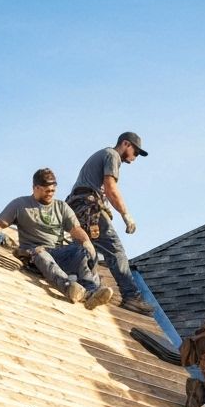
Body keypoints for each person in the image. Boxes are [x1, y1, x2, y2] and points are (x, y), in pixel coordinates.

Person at [0, 168, 113, 309]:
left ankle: (92, 292)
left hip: (59, 254)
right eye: (46, 191)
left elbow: (76, 229)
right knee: (40, 253)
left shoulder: (61, 207)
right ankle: (70, 288)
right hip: (34, 255)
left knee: (80, 251)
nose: (50, 194)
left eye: (53, 191)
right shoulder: (20, 205)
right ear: (35, 188)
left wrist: (86, 242)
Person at [66, 132, 154, 315]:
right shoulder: (112, 155)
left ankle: (84, 286)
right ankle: (132, 297)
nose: (135, 158)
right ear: (126, 144)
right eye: (136, 152)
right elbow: (110, 188)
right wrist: (125, 214)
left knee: (87, 252)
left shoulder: (103, 155)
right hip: (89, 209)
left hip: (78, 209)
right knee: (115, 250)